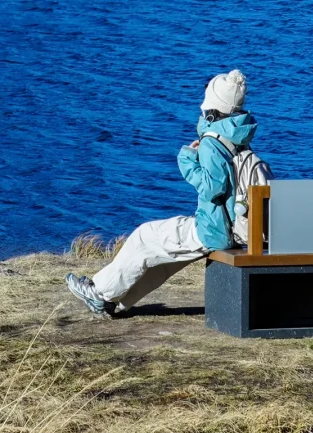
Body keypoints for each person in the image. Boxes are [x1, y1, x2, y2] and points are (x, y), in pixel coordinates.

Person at [66, 69, 262, 316]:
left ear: (212, 104)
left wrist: (188, 161)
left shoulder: (213, 142)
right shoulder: (239, 137)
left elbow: (214, 189)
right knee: (162, 258)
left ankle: (99, 293)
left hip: (214, 229)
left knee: (144, 236)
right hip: (237, 227)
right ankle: (113, 301)